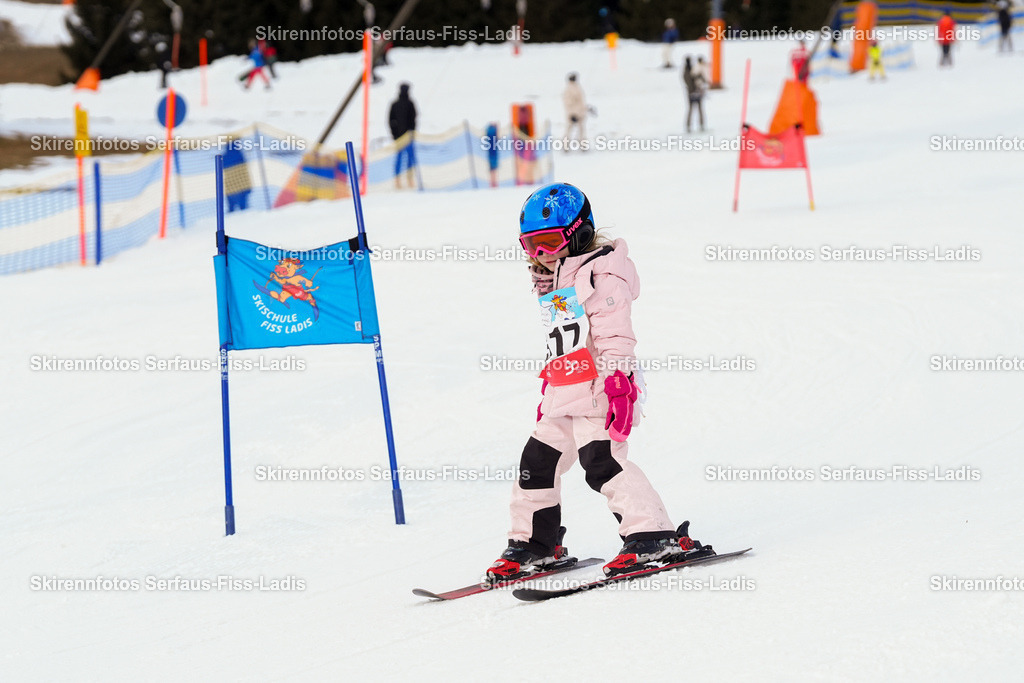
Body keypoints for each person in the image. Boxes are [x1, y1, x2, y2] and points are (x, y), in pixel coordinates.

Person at [485, 183, 712, 583]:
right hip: (565, 391)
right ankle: (534, 544)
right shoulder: (555, 278)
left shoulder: (603, 275)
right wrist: (549, 388)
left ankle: (652, 533)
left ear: (579, 232)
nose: (540, 254)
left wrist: (620, 383)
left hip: (601, 390)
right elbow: (565, 341)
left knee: (602, 463)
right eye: (530, 245)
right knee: (536, 464)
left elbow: (614, 337)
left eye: (549, 242)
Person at [388, 82, 417, 189]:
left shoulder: (404, 104)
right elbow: (391, 120)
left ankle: (405, 180)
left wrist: (395, 134)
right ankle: (400, 180)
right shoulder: (406, 104)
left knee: (406, 159)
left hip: (403, 137)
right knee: (404, 159)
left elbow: (413, 119)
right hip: (403, 137)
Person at [563, 73, 587, 148]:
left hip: (579, 112)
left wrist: (584, 110)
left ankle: (582, 145)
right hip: (573, 113)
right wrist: (572, 114)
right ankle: (565, 145)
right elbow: (568, 103)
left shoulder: (577, 88)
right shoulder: (569, 90)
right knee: (570, 129)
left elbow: (581, 102)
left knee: (580, 129)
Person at [682, 56, 706, 133]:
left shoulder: (693, 69)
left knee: (698, 109)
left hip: (696, 91)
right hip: (692, 92)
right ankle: (689, 126)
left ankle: (701, 125)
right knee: (692, 109)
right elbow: (688, 82)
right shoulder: (687, 71)